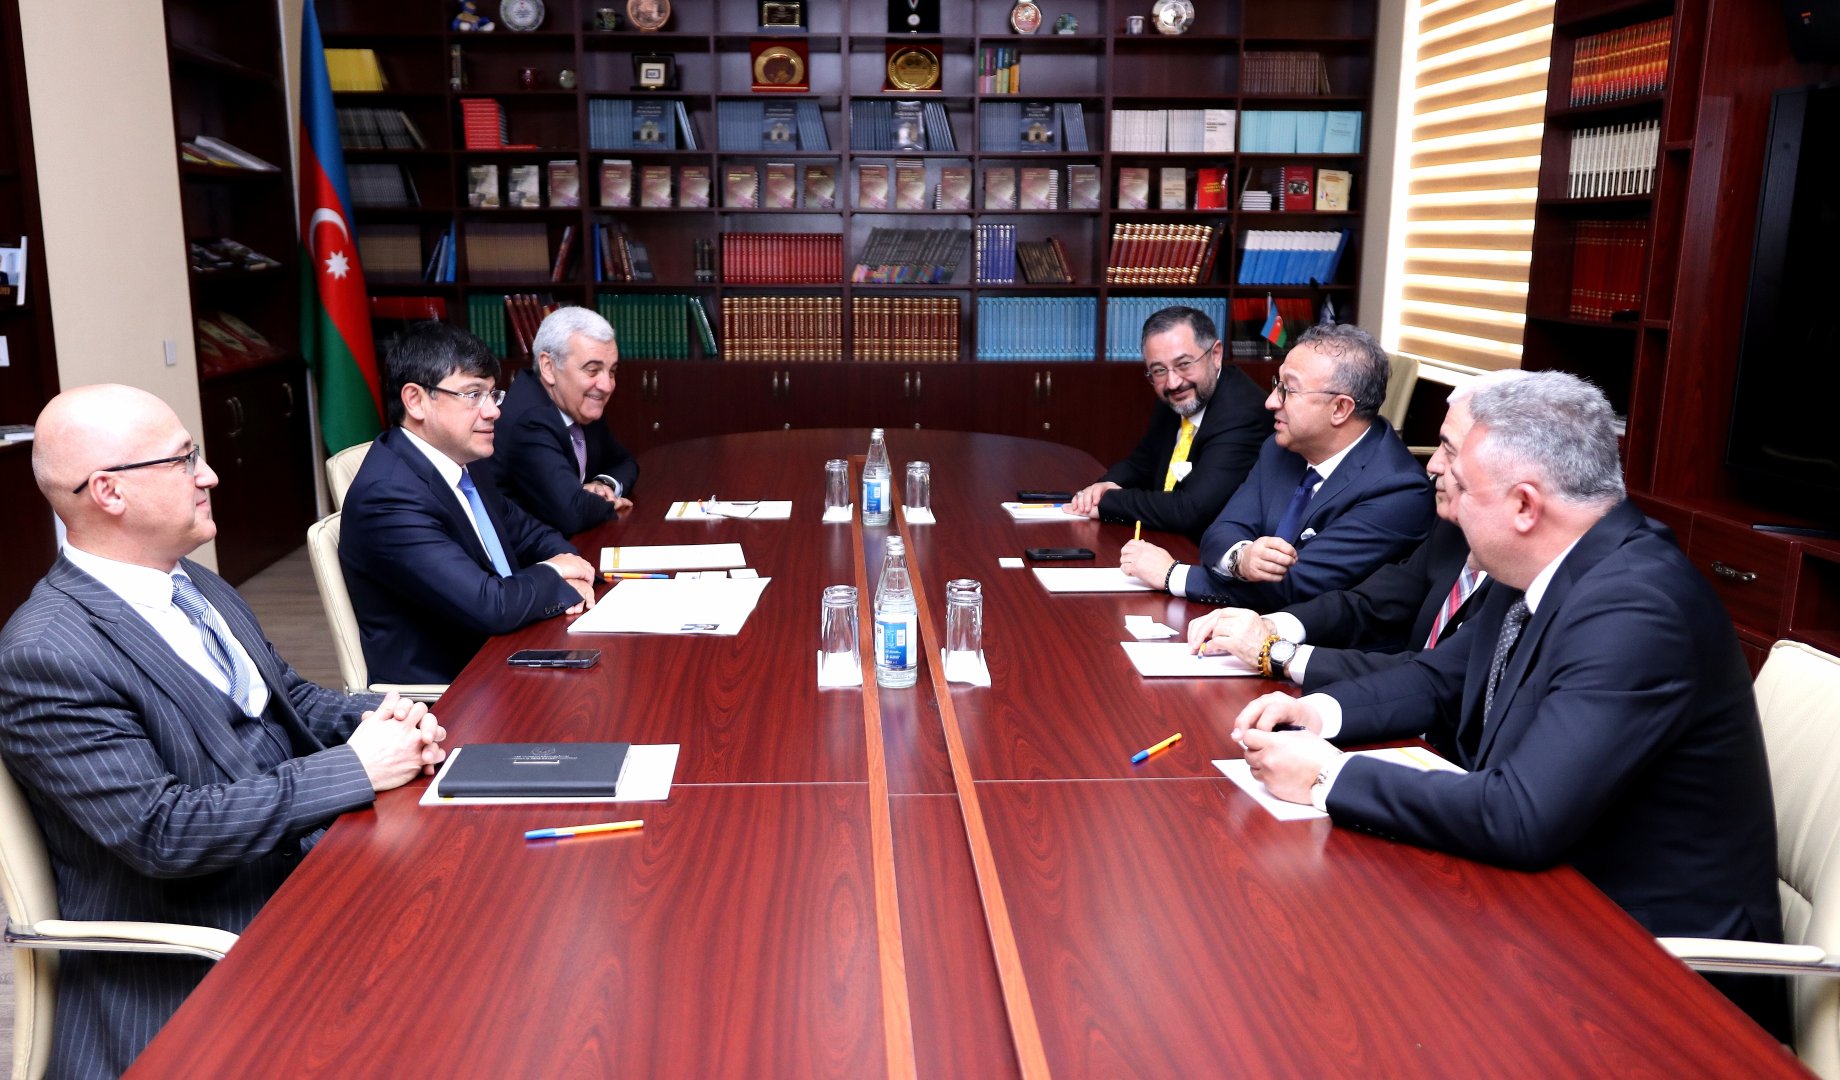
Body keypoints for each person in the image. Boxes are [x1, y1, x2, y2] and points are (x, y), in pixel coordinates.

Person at [1233, 371, 1786, 1036]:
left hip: (1654, 974)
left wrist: (1328, 775)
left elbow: (1520, 814)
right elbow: (1441, 678)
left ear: (1525, 504)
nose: (1446, 496)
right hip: (1550, 904)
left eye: (1463, 487)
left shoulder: (1638, 607)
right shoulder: (1546, 565)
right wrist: (1319, 712)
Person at [0, 384, 447, 1078]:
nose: (208, 475)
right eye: (183, 460)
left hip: (307, 876)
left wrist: (385, 719)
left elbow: (288, 698)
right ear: (110, 492)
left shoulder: (193, 584)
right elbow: (161, 830)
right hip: (210, 954)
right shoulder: (48, 652)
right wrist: (357, 769)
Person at [1185, 373, 1522, 689]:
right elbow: (1368, 604)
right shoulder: (1451, 531)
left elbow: (1438, 675)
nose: (1433, 465)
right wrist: (1274, 626)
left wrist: (1277, 654)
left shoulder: (1523, 574)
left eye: (1449, 450)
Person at [341, 321, 597, 684]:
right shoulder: (387, 498)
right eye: (474, 394)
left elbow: (532, 535)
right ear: (415, 400)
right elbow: (489, 606)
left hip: (506, 654)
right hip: (452, 692)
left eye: (493, 394)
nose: (493, 411)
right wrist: (556, 576)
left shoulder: (465, 462)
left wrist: (573, 569)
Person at [1119, 323, 1433, 610]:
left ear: (1340, 408)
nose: (1271, 401)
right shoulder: (1280, 448)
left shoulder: (1398, 491)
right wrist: (1241, 558)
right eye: (1276, 384)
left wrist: (1174, 575)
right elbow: (1220, 531)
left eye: (1288, 390)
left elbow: (1296, 587)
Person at [1063, 306, 1271, 540]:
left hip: (1210, 550)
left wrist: (1110, 501)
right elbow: (1143, 462)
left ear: (1215, 354)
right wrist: (1103, 487)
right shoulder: (1180, 395)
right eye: (1159, 370)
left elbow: (1191, 510)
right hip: (1167, 539)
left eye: (1184, 364)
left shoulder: (1242, 415)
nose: (1173, 382)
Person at [494, 306, 638, 536]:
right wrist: (607, 503)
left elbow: (625, 462)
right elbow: (572, 513)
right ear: (549, 367)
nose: (607, 385)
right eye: (593, 370)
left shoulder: (579, 404)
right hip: (533, 553)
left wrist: (603, 485)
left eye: (611, 372)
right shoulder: (529, 420)